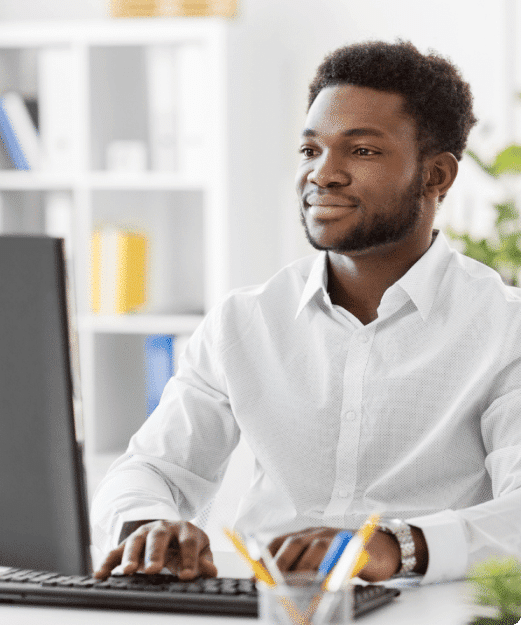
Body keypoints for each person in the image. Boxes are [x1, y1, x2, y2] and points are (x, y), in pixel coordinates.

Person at [92, 40, 521, 585]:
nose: (324, 174)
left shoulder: (505, 328)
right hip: (263, 609)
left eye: (361, 151)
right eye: (310, 151)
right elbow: (153, 467)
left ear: (436, 176)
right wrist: (147, 526)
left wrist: (394, 547)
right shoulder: (244, 323)